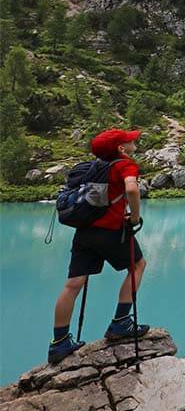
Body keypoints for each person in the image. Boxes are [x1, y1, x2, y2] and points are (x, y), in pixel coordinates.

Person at [48, 128, 150, 364]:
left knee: (73, 284)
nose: (134, 141)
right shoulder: (125, 165)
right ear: (121, 149)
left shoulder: (94, 166)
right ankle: (121, 323)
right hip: (111, 231)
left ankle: (59, 343)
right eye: (129, 140)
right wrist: (134, 218)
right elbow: (132, 189)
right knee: (138, 265)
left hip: (84, 232)